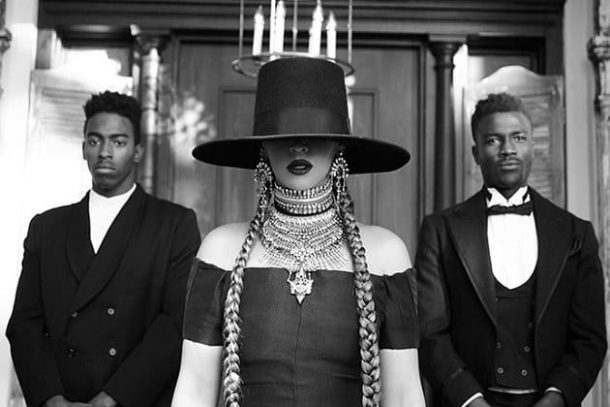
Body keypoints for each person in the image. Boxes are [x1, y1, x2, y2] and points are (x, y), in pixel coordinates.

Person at [171, 57, 425, 407]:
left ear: (339, 147)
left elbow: (405, 395)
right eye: (284, 137)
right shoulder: (220, 249)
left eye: (315, 137)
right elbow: (193, 389)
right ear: (262, 148)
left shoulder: (385, 252)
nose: (298, 147)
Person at [6, 91, 201, 407]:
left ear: (137, 151)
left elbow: (176, 323)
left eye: (118, 142)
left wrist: (111, 400)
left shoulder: (174, 224)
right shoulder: (47, 227)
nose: (105, 152)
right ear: (83, 148)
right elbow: (25, 324)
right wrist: (51, 399)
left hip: (135, 399)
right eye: (95, 141)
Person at [416, 93, 607, 407]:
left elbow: (590, 338)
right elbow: (429, 332)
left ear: (532, 145)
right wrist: (471, 400)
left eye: (518, 138)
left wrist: (556, 399)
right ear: (476, 153)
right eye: (493, 140)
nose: (508, 149)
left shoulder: (576, 233)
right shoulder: (440, 231)